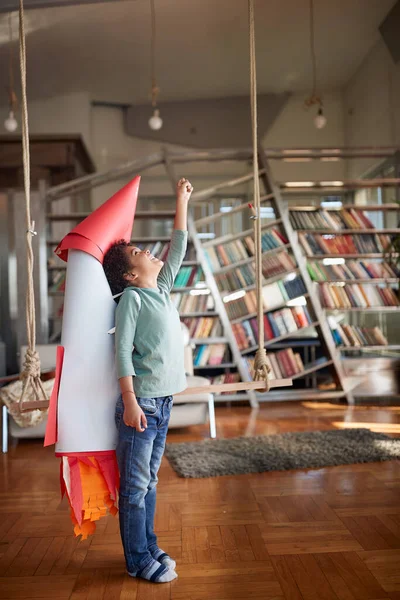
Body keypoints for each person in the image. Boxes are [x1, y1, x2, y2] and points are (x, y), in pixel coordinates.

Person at [103, 177, 193, 583]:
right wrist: (131, 401)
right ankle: (137, 560)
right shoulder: (133, 300)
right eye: (139, 252)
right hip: (143, 405)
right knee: (135, 487)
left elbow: (179, 247)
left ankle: (149, 545)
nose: (150, 252)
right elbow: (121, 352)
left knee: (149, 481)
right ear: (129, 277)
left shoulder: (162, 289)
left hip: (164, 402)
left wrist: (181, 200)